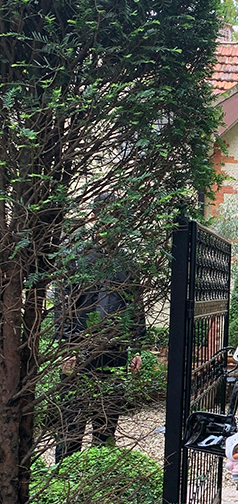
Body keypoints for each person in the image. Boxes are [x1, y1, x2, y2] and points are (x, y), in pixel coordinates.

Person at [54, 197, 146, 463]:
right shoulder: (76, 259)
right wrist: (66, 347)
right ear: (93, 218)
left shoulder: (127, 263)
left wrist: (136, 347)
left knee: (106, 425)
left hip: (115, 353)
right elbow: (63, 305)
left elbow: (135, 307)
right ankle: (64, 477)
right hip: (79, 352)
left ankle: (98, 477)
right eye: (106, 217)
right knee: (71, 424)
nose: (112, 224)